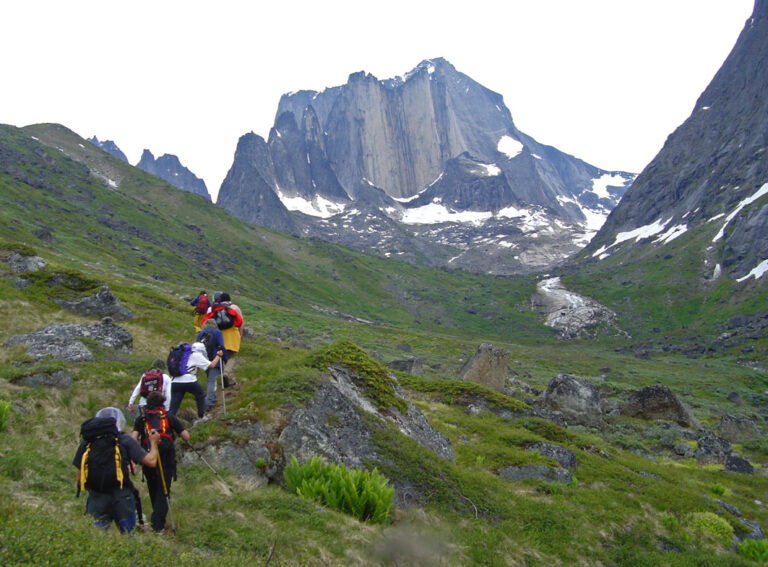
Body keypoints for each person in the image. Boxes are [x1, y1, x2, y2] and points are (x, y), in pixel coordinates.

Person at [73, 407, 160, 533]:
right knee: (129, 536)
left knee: (96, 538)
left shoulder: (87, 442)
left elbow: (79, 475)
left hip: (96, 497)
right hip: (122, 496)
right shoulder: (124, 440)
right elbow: (151, 461)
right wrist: (153, 443)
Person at [132, 392, 190, 533]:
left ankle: (157, 521)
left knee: (153, 487)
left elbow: (133, 438)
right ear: (162, 403)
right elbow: (186, 436)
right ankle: (157, 525)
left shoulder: (142, 419)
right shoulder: (168, 416)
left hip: (148, 456)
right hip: (166, 458)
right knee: (164, 490)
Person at [168, 340, 224, 421]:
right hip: (189, 381)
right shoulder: (196, 355)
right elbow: (211, 365)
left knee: (174, 405)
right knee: (200, 395)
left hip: (175, 382)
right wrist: (218, 356)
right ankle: (201, 416)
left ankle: (169, 422)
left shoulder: (178, 355)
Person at [200, 292, 243, 385]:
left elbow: (204, 322)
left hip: (220, 335)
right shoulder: (234, 308)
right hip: (232, 334)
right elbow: (240, 322)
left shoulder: (215, 310)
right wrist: (240, 334)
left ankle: (227, 379)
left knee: (223, 355)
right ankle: (226, 374)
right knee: (233, 356)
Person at [196, 319, 227, 411]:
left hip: (203, 360)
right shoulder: (217, 332)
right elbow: (221, 346)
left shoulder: (200, 334)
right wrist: (225, 358)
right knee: (211, 380)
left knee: (209, 378)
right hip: (215, 359)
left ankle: (209, 399)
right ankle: (209, 402)